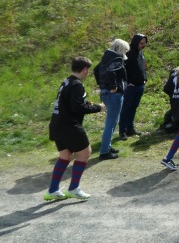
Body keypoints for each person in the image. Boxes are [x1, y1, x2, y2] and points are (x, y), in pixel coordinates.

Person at [44, 57, 105, 201]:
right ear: (84, 70)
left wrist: (85, 103)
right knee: (85, 152)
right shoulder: (77, 84)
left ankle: (53, 190)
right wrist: (98, 108)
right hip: (69, 125)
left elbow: (70, 103)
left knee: (65, 156)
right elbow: (77, 107)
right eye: (88, 70)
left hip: (56, 123)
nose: (88, 73)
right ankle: (73, 188)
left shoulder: (66, 81)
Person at [94, 38, 129, 161]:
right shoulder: (116, 59)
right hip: (114, 94)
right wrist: (113, 86)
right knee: (110, 123)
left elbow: (96, 70)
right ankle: (104, 152)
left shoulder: (106, 58)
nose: (126, 52)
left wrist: (102, 84)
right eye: (125, 50)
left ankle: (107, 147)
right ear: (120, 49)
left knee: (113, 121)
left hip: (105, 93)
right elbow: (110, 73)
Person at [119, 33, 147, 140]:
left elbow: (143, 67)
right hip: (130, 87)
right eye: (141, 43)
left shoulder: (141, 53)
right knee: (126, 108)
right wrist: (127, 81)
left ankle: (130, 128)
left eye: (145, 44)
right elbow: (122, 68)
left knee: (134, 108)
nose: (143, 45)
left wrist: (145, 79)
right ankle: (122, 131)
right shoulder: (128, 53)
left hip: (140, 85)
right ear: (136, 42)